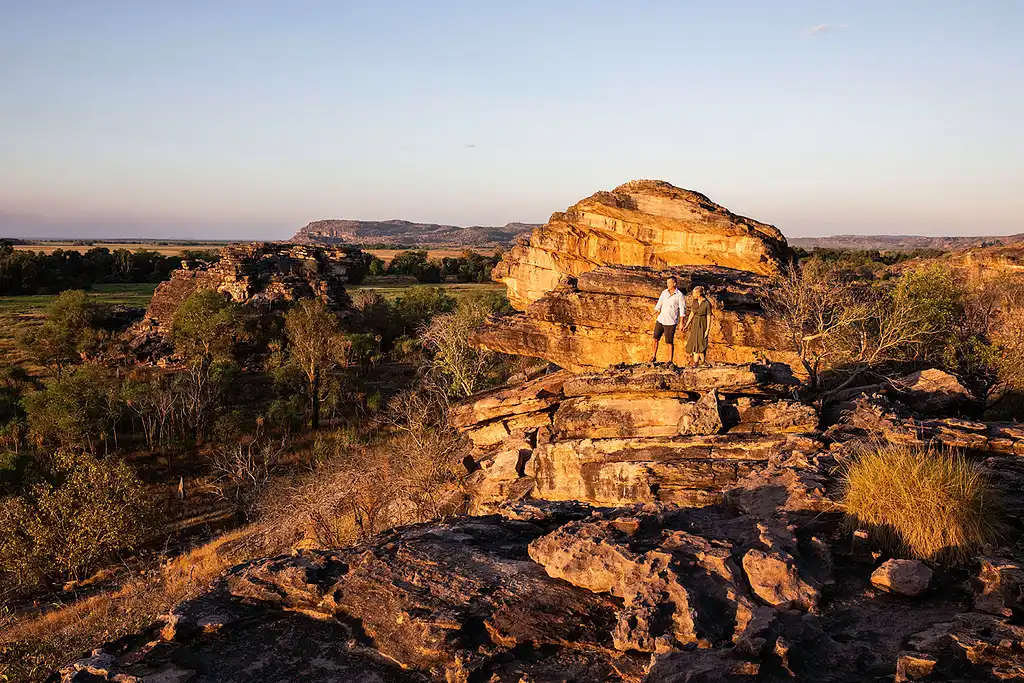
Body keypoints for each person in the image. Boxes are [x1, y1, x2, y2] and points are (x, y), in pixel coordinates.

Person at [649, 276, 685, 364]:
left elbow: (682, 309)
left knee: (669, 342)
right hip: (661, 319)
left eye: (669, 283)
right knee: (655, 338)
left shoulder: (679, 295)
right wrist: (651, 314)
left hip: (671, 322)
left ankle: (669, 360)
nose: (668, 284)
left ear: (674, 284)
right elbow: (659, 305)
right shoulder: (664, 292)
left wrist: (681, 323)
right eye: (667, 283)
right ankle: (653, 356)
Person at [684, 285, 712, 365]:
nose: (693, 295)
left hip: (702, 324)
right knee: (694, 342)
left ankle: (702, 361)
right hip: (695, 323)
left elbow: (708, 316)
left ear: (699, 293)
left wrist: (707, 329)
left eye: (694, 293)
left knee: (701, 342)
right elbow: (691, 314)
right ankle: (696, 362)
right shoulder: (695, 301)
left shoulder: (707, 303)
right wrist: (687, 324)